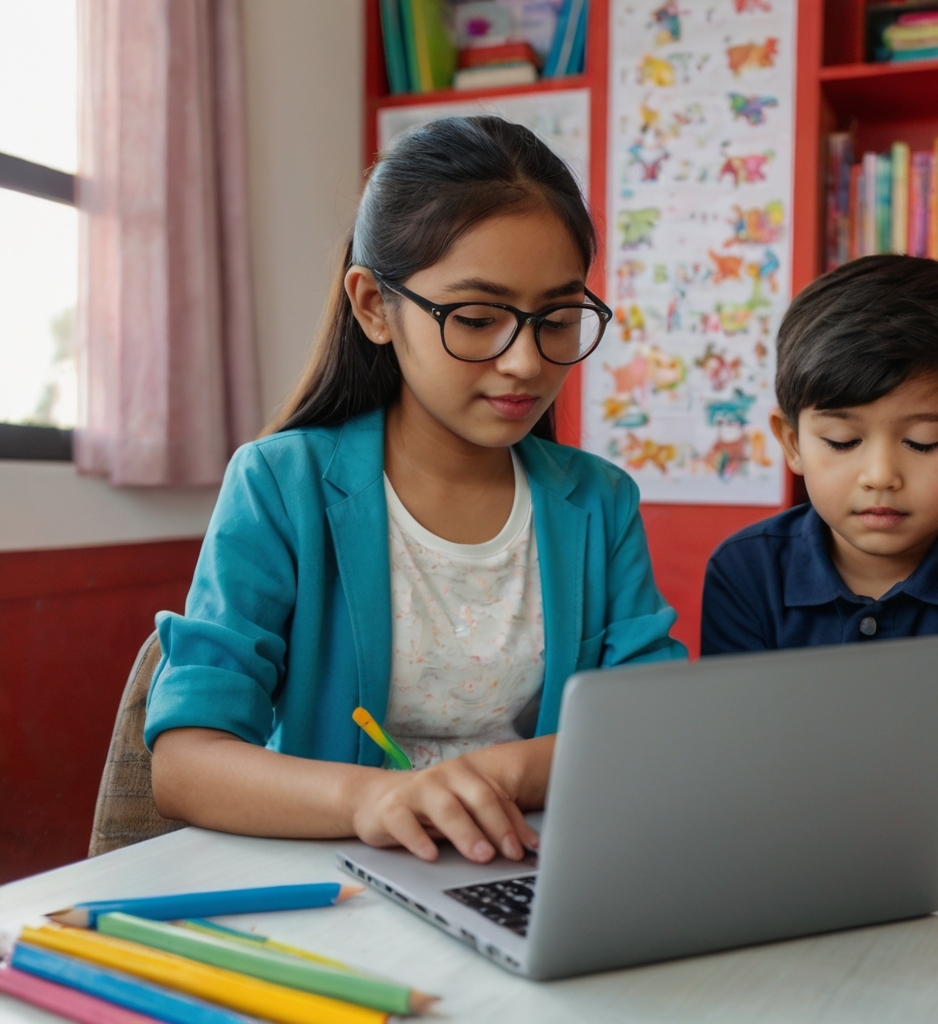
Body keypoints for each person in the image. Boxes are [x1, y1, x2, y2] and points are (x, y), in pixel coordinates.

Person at [147, 115, 685, 865]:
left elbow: (654, 726)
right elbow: (184, 764)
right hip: (331, 877)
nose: (526, 362)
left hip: (534, 870)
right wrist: (371, 799)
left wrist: (501, 774)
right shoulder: (283, 485)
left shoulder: (598, 503)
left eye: (557, 318)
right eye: (475, 318)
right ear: (374, 306)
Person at [701, 254, 938, 795]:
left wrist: (841, 771)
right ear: (792, 442)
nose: (880, 476)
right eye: (843, 442)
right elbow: (735, 755)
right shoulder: (746, 571)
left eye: (922, 442)